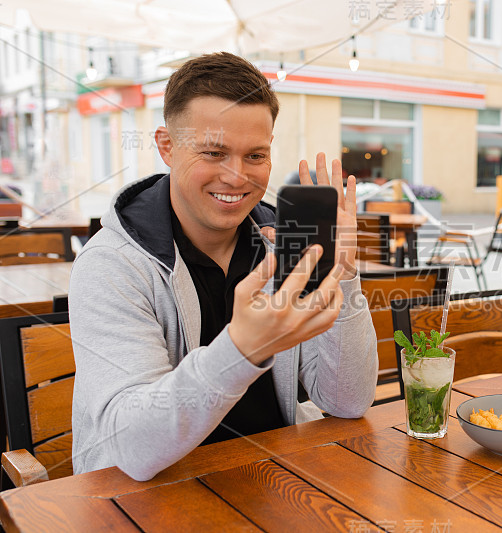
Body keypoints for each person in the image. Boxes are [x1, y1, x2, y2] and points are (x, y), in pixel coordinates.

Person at [69, 52, 378, 481]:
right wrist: (242, 349)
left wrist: (343, 272)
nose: (237, 177)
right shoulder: (110, 266)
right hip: (144, 499)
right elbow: (132, 447)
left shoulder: (283, 246)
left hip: (273, 481)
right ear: (166, 147)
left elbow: (347, 400)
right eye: (214, 153)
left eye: (255, 156)